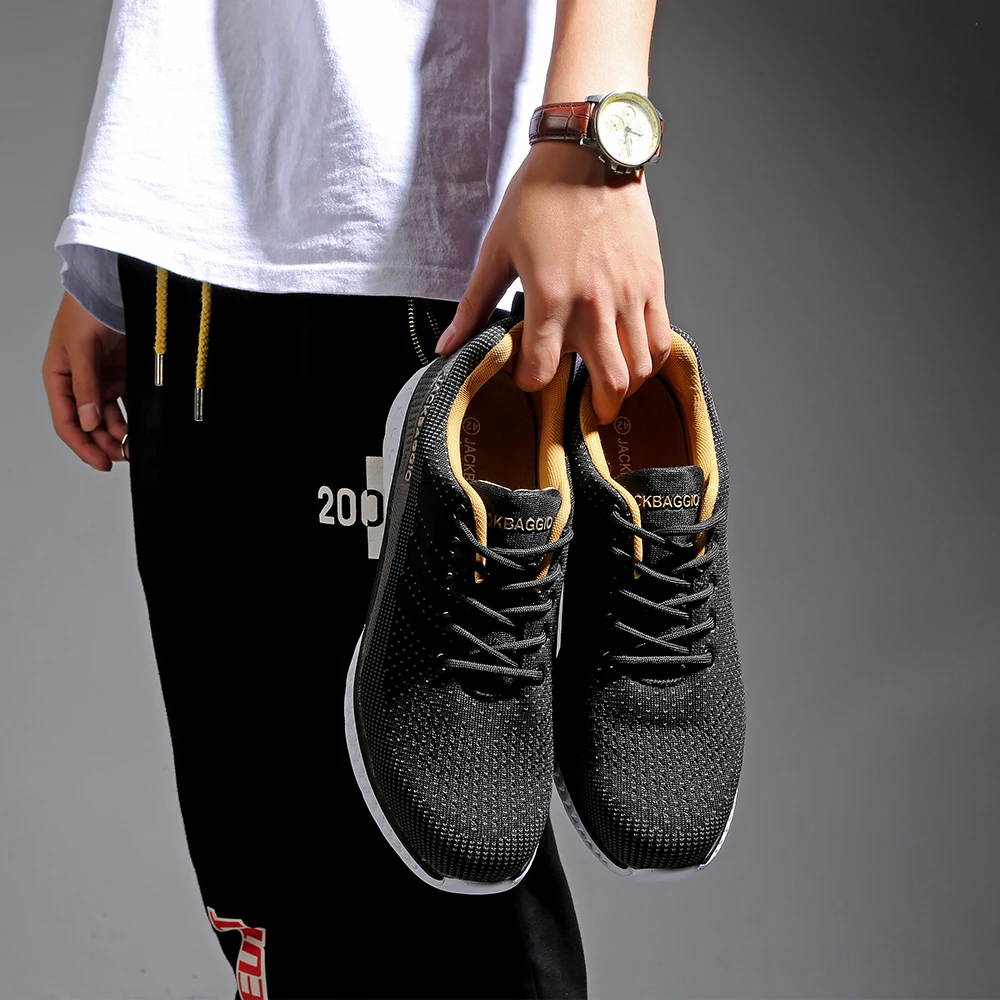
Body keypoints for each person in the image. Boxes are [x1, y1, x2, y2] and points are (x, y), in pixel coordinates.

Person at [41, 1, 673, 996]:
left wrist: (589, 134)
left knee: (442, 883)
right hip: (189, 237)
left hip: (395, 209)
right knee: (269, 888)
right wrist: (135, 211)